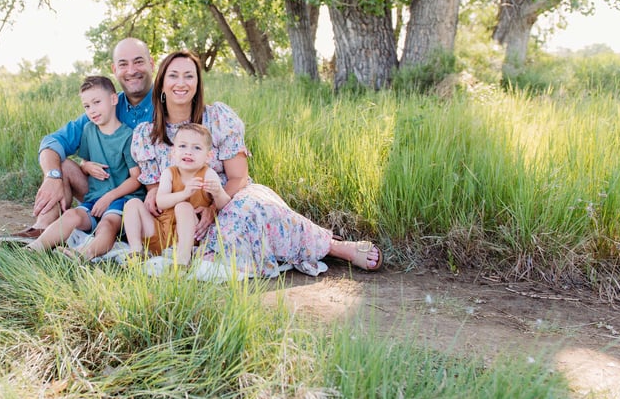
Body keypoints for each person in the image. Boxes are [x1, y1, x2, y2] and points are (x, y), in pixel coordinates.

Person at [131, 50, 383, 277]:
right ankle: (194, 256)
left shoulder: (218, 118)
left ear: (197, 83)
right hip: (181, 216)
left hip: (227, 198)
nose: (181, 83)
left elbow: (238, 177)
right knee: (204, 241)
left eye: (189, 76)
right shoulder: (148, 134)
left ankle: (335, 248)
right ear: (161, 84)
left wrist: (213, 208)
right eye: (173, 76)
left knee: (252, 208)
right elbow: (154, 185)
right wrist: (155, 193)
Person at [13, 37, 155, 239]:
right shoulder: (105, 107)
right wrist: (53, 176)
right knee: (60, 164)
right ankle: (42, 229)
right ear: (114, 70)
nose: (131, 70)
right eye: (124, 64)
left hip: (143, 198)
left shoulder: (167, 104)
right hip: (102, 191)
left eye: (139, 61)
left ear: (151, 64)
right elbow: (53, 142)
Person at [26, 75, 145, 259]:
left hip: (121, 199)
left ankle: (83, 254)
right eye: (87, 106)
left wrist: (109, 197)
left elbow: (136, 178)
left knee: (107, 225)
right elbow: (84, 162)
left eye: (97, 102)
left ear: (114, 99)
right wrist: (86, 166)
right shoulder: (89, 130)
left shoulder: (128, 136)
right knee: (71, 215)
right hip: (94, 198)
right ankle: (33, 249)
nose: (92, 110)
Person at [122, 123, 230, 266]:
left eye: (197, 148)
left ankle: (183, 259)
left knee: (183, 207)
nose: (188, 152)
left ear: (208, 156)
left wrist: (218, 193)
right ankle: (136, 251)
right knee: (132, 203)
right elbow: (161, 201)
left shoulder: (208, 174)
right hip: (160, 231)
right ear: (173, 152)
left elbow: (225, 205)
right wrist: (185, 193)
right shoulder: (170, 173)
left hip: (187, 236)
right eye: (182, 146)